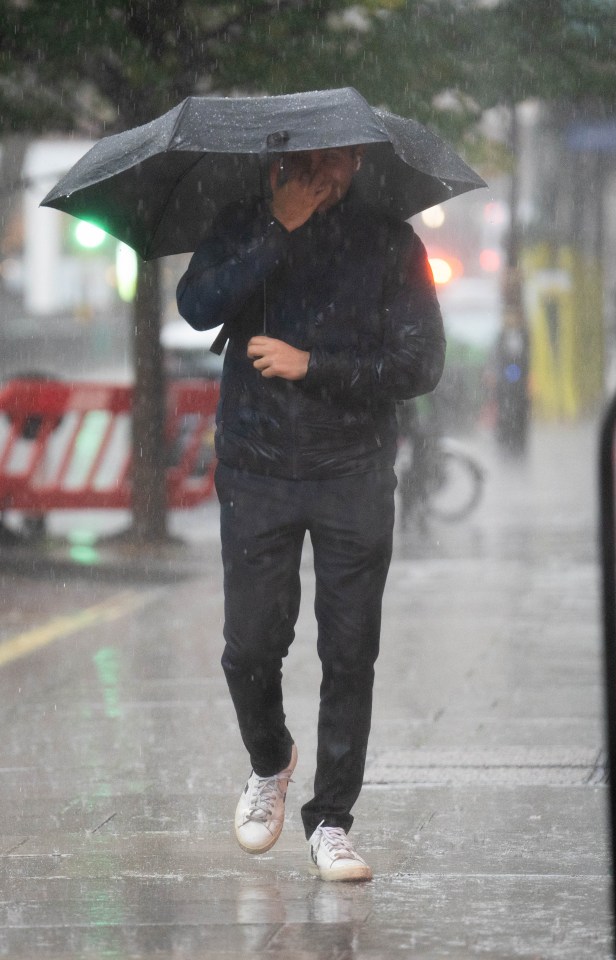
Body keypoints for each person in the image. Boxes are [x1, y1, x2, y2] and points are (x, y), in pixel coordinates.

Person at [176, 144, 445, 881]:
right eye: (315, 156)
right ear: (283, 158)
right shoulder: (241, 222)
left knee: (350, 651)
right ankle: (270, 760)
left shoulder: (390, 242)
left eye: (345, 157)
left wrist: (313, 364)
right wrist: (275, 229)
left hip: (352, 469)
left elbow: (421, 363)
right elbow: (197, 308)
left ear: (361, 162)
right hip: (257, 466)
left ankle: (332, 818)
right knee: (251, 647)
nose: (330, 170)